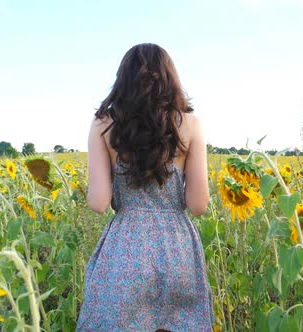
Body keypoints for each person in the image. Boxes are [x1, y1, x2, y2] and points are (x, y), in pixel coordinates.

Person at [76, 43, 214, 331]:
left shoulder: (103, 124)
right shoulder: (190, 124)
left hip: (125, 251)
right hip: (176, 249)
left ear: (122, 80)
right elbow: (199, 205)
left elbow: (99, 203)